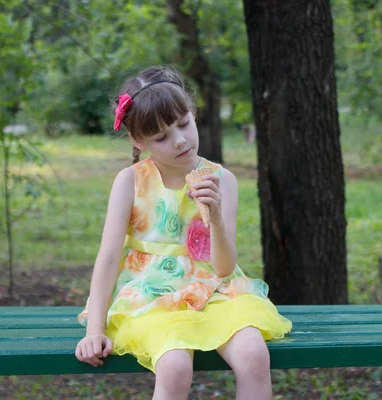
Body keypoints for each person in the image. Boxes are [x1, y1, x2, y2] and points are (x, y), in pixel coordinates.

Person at [75, 66, 292, 400]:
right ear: (138, 140)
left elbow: (223, 268)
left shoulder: (222, 180)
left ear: (193, 114)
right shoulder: (130, 182)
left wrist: (215, 218)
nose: (179, 140)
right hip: (150, 295)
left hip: (212, 290)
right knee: (175, 365)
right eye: (161, 137)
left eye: (183, 124)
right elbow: (107, 258)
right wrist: (95, 329)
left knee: (253, 354)